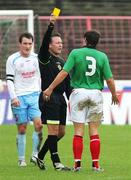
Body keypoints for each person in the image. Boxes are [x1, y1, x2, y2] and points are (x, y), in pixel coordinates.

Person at [43, 30, 119, 172]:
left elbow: (64, 73)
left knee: (78, 131)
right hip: (96, 94)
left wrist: (50, 88)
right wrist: (114, 94)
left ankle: (77, 165)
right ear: (97, 42)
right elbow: (109, 79)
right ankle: (95, 165)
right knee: (94, 130)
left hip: (78, 94)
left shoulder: (75, 53)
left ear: (85, 40)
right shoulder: (102, 56)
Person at [34, 14, 72, 171]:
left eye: (61, 43)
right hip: (49, 97)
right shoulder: (45, 57)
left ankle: (40, 156)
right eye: (57, 43)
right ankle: (57, 163)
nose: (60, 45)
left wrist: (72, 100)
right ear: (49, 45)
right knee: (53, 131)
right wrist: (51, 25)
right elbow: (43, 43)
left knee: (61, 133)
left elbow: (68, 83)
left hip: (60, 99)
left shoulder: (63, 61)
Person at [6, 32, 43, 167]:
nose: (27, 46)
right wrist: (13, 97)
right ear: (20, 44)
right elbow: (9, 79)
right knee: (22, 129)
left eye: (30, 43)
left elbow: (40, 77)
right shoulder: (12, 59)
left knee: (39, 125)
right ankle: (21, 159)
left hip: (34, 96)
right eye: (25, 43)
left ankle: (35, 155)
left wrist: (42, 92)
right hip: (19, 97)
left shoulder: (36, 58)